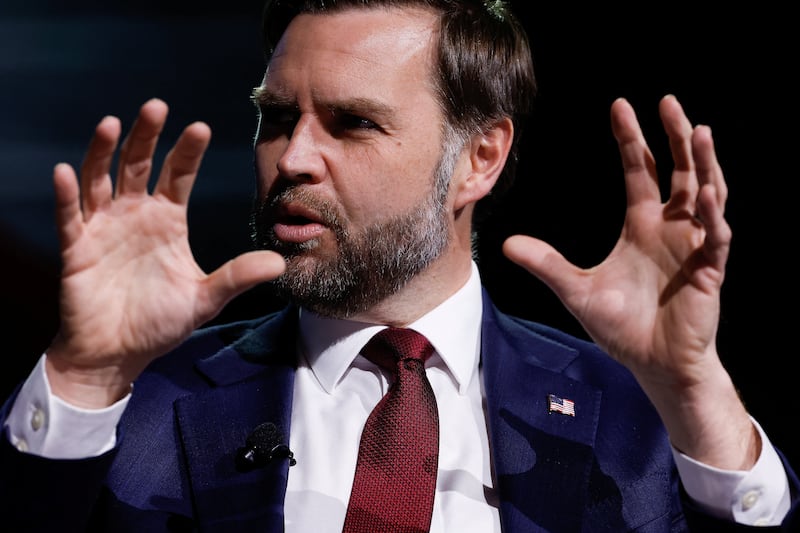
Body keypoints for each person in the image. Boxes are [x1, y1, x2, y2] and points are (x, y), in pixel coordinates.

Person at [1, 0, 797, 531]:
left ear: (478, 158)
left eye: (352, 124)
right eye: (277, 118)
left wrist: (695, 390)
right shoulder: (147, 401)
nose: (293, 159)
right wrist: (85, 374)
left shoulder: (636, 420)